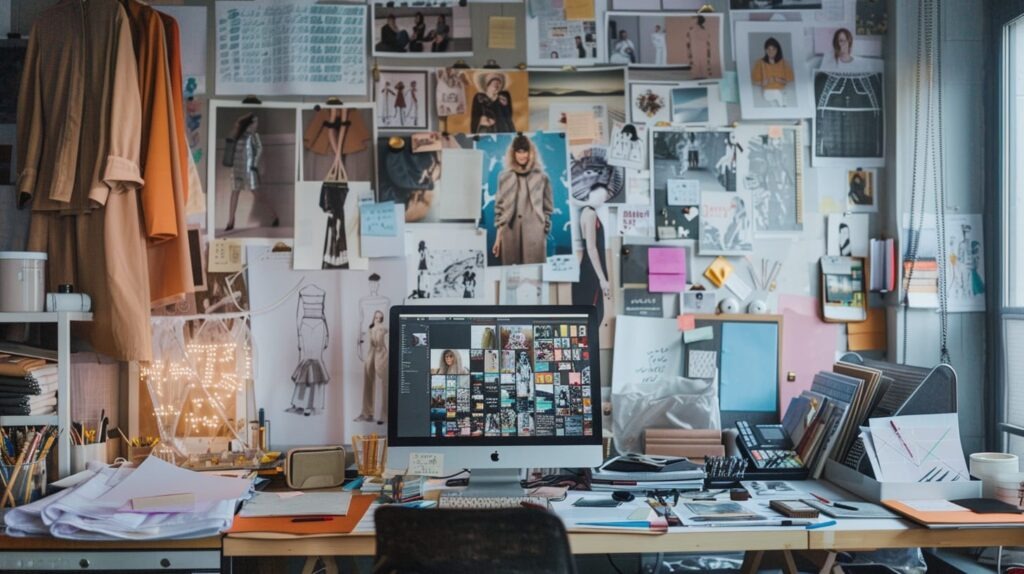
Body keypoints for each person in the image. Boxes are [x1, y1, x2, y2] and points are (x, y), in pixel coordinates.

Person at [571, 151, 622, 328]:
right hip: (591, 272)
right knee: (592, 316)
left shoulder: (590, 212)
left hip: (591, 270)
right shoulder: (590, 213)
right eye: (599, 194)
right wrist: (602, 279)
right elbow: (591, 248)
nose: (603, 197)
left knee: (592, 317)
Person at [492, 135, 554, 265]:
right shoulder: (504, 177)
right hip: (509, 231)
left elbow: (548, 208)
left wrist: (544, 231)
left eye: (525, 151)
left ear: (530, 153)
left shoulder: (542, 177)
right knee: (511, 276)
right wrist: (498, 239)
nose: (522, 155)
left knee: (535, 276)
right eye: (518, 152)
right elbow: (499, 210)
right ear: (513, 153)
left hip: (535, 232)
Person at [224, 113, 278, 232]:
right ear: (249, 123)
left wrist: (254, 163)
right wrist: (241, 119)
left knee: (258, 194)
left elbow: (259, 149)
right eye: (254, 122)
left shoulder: (254, 136)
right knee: (234, 193)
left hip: (249, 169)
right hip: (236, 168)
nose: (256, 125)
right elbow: (232, 134)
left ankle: (273, 215)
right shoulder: (238, 133)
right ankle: (230, 221)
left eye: (257, 122)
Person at [356, 274, 390, 424]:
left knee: (385, 381)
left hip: (382, 347)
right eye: (371, 284)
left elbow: (388, 325)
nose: (373, 286)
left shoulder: (385, 301)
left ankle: (384, 415)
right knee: (368, 380)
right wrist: (359, 346)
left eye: (375, 284)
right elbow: (361, 322)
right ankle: (367, 412)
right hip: (370, 345)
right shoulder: (363, 301)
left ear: (379, 284)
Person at [751, 37, 794, 107]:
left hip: (781, 90)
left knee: (781, 97)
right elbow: (753, 81)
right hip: (768, 92)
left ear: (777, 50)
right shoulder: (760, 63)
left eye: (773, 49)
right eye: (768, 49)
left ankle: (781, 107)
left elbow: (789, 79)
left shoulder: (783, 62)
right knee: (777, 94)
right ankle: (783, 106)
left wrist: (777, 79)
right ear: (765, 50)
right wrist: (764, 82)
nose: (771, 52)